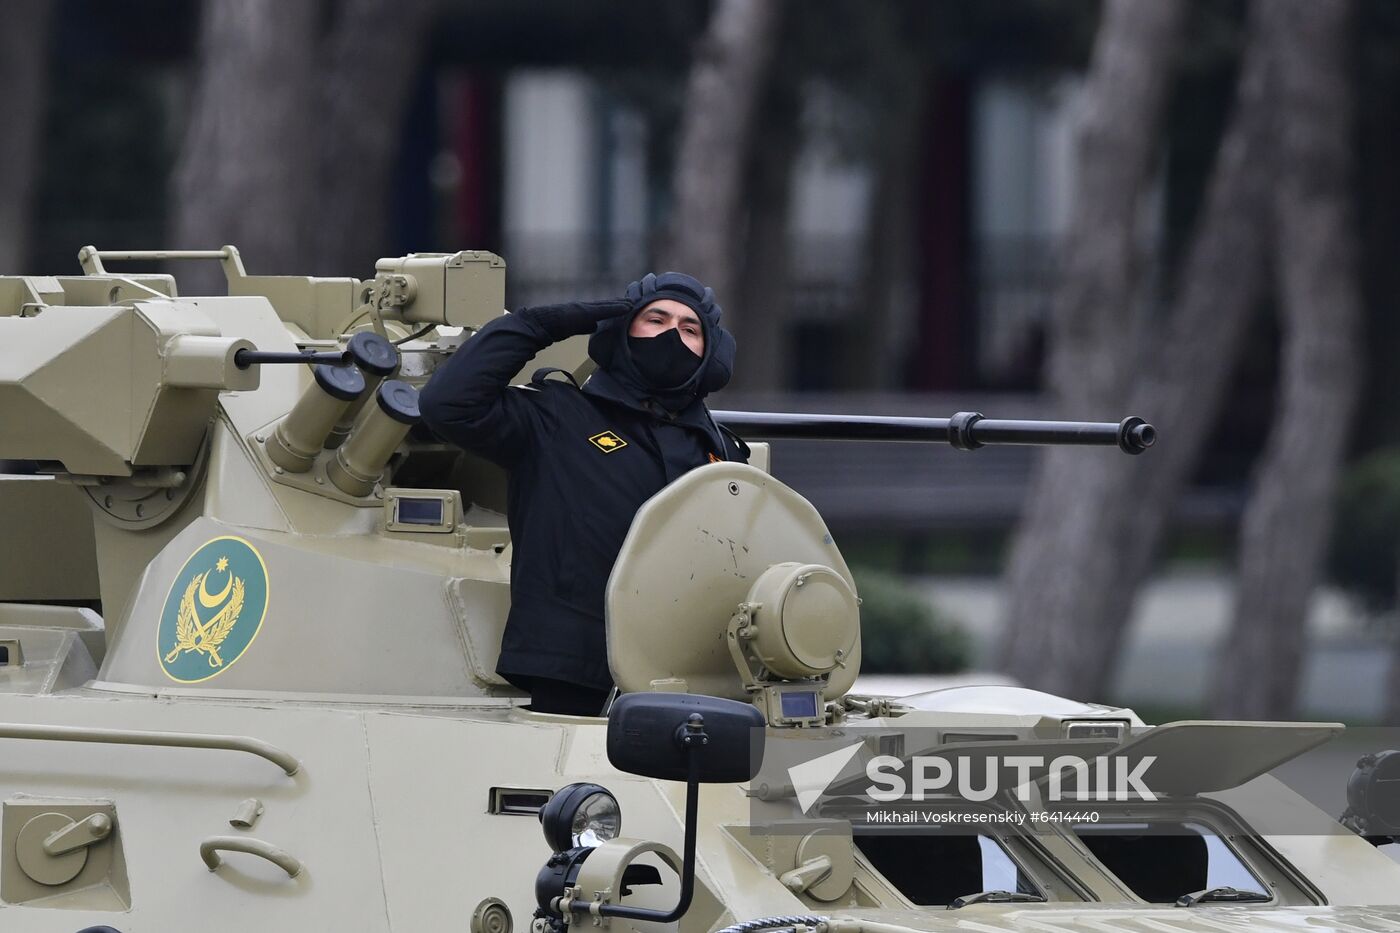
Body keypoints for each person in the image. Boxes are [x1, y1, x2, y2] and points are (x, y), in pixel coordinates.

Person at [418, 272, 746, 715]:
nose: (671, 334)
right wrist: (536, 326)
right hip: (571, 666)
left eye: (690, 329)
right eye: (655, 319)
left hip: (689, 667)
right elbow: (449, 405)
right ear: (622, 329)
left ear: (711, 352)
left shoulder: (720, 450)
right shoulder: (555, 415)